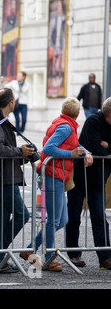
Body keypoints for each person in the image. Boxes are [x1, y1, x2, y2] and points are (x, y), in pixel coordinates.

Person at [20, 97, 92, 272]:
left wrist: (86, 152)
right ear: (77, 113)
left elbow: (75, 145)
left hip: (58, 175)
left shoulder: (66, 125)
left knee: (62, 220)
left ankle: (30, 249)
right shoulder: (66, 127)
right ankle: (49, 258)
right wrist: (71, 154)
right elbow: (48, 149)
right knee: (53, 220)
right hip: (52, 175)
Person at [0, 87, 34, 274]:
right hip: (4, 177)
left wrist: (23, 153)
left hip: (7, 175)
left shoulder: (0, 119)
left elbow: (3, 147)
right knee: (22, 215)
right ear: (11, 102)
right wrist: (20, 151)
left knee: (3, 217)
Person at [66, 97, 111, 270]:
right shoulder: (93, 120)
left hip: (98, 179)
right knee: (74, 215)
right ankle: (73, 253)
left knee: (99, 217)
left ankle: (105, 257)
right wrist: (105, 148)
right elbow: (94, 147)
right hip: (80, 176)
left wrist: (107, 146)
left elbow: (101, 149)